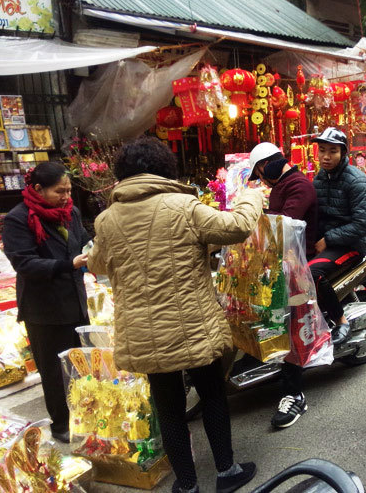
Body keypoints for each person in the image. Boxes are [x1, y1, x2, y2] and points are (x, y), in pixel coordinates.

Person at [88, 137, 262, 493]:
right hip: (193, 324)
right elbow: (237, 227)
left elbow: (99, 263)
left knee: (168, 407)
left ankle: (186, 485)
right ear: (164, 168)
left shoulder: (106, 220)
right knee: (212, 394)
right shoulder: (184, 205)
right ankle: (226, 472)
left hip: (144, 332)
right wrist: (252, 196)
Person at [2, 162, 90, 444]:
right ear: (38, 189)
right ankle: (61, 423)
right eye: (59, 191)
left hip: (75, 301)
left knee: (80, 366)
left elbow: (85, 241)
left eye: (69, 190)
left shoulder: (71, 213)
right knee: (54, 372)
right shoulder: (18, 218)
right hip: (44, 309)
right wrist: (68, 264)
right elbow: (25, 263)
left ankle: (85, 415)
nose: (66, 196)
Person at [248, 142, 318, 429]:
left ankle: (295, 393)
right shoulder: (282, 185)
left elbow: (285, 224)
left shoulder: (299, 186)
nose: (262, 179)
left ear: (271, 163)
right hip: (281, 260)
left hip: (299, 265)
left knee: (289, 323)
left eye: (261, 172)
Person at [311, 127, 366, 346]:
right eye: (322, 150)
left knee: (312, 273)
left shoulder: (357, 181)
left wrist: (328, 239)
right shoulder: (319, 178)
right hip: (328, 241)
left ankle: (341, 322)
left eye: (332, 151)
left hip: (352, 243)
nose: (326, 156)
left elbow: (364, 224)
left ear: (344, 153)